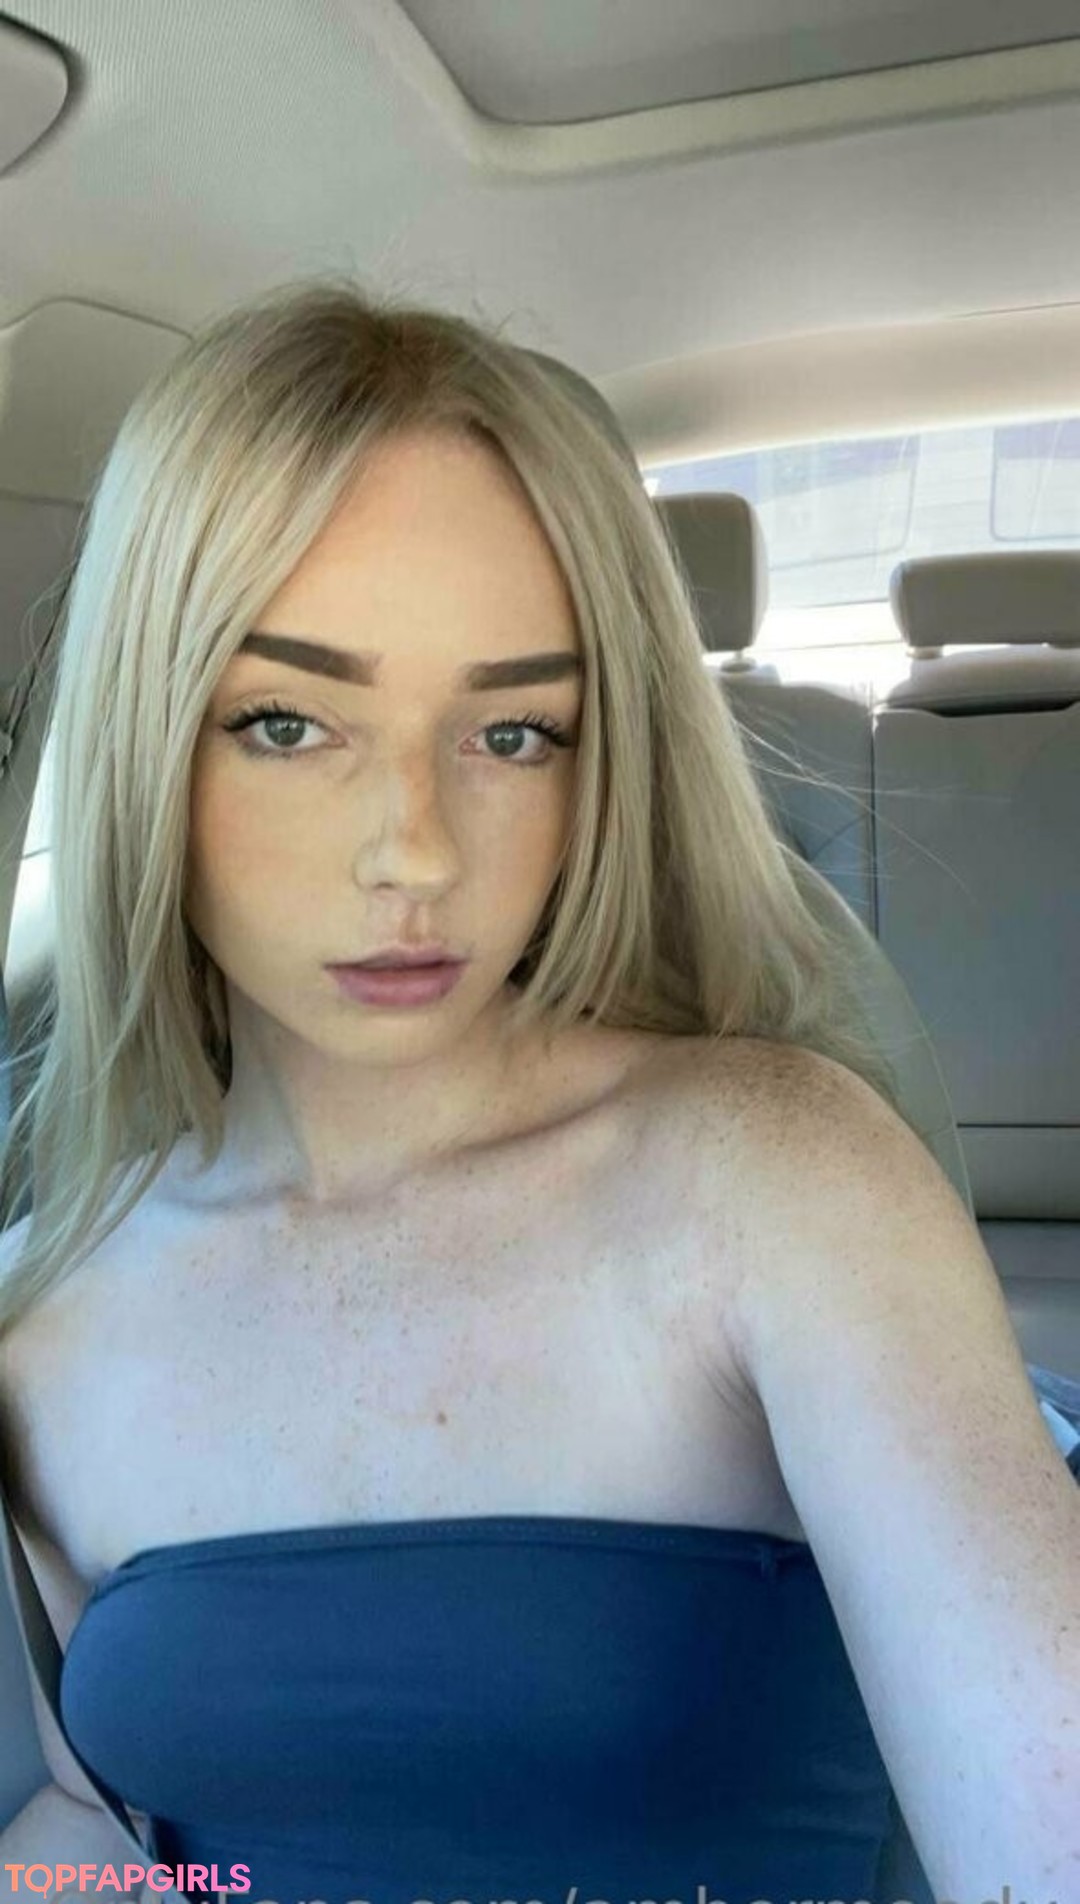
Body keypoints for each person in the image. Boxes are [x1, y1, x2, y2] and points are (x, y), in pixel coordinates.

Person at [0, 276, 1077, 1904]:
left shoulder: (779, 1191)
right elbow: (119, 1839)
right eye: (287, 723)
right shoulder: (45, 1319)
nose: (416, 854)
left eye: (513, 734)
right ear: (146, 739)